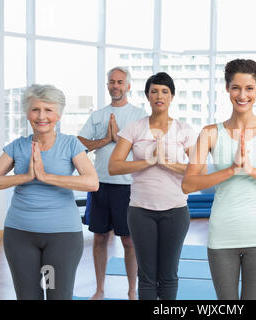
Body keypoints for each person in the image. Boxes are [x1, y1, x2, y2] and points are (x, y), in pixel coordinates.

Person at [182, 59, 256, 300]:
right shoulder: (209, 132)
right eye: (236, 87)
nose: (242, 95)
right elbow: (188, 184)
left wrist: (251, 170)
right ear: (227, 88)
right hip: (222, 233)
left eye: (249, 88)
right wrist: (232, 170)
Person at [0, 84, 99, 300]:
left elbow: (92, 182)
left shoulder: (71, 144)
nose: (41, 116)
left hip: (62, 237)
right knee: (28, 296)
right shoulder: (17, 147)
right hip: (20, 234)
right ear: (27, 113)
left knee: (57, 295)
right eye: (35, 109)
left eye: (48, 110)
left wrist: (46, 176)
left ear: (58, 115)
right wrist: (25, 176)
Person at [108, 72, 198, 300]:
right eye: (154, 91)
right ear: (147, 96)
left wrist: (166, 163)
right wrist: (147, 161)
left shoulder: (184, 129)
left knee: (168, 274)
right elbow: (114, 166)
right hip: (141, 210)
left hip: (175, 210)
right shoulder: (134, 128)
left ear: (172, 96)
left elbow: (199, 171)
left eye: (165, 91)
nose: (159, 96)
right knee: (146, 275)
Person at [77, 67, 147, 300]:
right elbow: (81, 143)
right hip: (100, 185)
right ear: (107, 85)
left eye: (120, 82)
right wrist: (106, 139)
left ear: (128, 86)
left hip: (127, 186)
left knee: (128, 240)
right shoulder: (97, 115)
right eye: (111, 82)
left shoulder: (139, 115)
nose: (115, 85)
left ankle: (131, 291)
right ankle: (99, 289)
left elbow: (144, 150)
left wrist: (118, 138)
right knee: (99, 238)